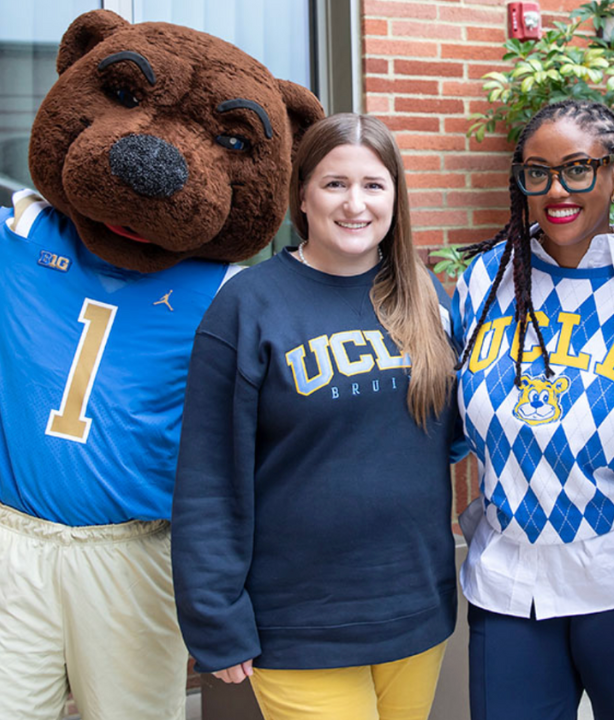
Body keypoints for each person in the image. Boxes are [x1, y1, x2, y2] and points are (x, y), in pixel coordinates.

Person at [172, 113, 461, 720]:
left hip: (414, 607)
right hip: (300, 621)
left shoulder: (425, 297)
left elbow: (455, 434)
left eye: (373, 185)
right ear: (301, 194)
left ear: (394, 196)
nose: (355, 204)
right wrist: (214, 614)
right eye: (334, 184)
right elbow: (208, 477)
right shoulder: (248, 305)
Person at [451, 100, 614, 720]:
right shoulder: (487, 281)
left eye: (576, 169)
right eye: (536, 173)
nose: (555, 190)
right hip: (509, 576)